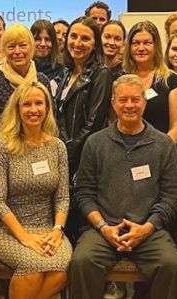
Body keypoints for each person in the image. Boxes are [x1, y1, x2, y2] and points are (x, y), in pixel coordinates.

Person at [69, 74, 177, 299]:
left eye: (135, 99)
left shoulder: (163, 145)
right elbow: (84, 193)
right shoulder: (95, 143)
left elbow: (171, 197)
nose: (129, 105)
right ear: (113, 104)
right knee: (81, 262)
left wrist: (147, 228)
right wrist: (103, 227)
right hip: (102, 231)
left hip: (149, 231)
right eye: (123, 100)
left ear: (144, 102)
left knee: (171, 265)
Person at [0, 82, 71, 299]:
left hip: (47, 228)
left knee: (62, 269)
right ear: (17, 109)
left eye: (39, 103)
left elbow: (62, 196)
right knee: (32, 267)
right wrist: (24, 236)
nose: (34, 110)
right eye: (27, 104)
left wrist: (57, 229)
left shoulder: (57, 146)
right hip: (8, 229)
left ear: (47, 108)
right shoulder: (2, 146)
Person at [55, 16, 115, 180]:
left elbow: (93, 123)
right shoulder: (66, 73)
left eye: (85, 38)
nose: (77, 43)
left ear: (95, 44)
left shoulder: (102, 74)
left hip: (83, 159)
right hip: (62, 154)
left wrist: (69, 152)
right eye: (73, 36)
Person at [0, 24, 53, 145]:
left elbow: (50, 121)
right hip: (6, 152)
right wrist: (6, 148)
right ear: (4, 50)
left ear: (32, 48)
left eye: (23, 45)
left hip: (39, 150)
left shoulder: (42, 81)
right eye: (11, 46)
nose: (17, 52)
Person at [123, 21, 177, 148]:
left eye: (147, 43)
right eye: (135, 43)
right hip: (127, 152)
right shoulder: (121, 79)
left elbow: (176, 129)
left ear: (156, 46)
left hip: (163, 153)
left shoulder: (172, 80)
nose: (141, 48)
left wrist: (157, 155)